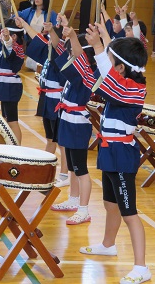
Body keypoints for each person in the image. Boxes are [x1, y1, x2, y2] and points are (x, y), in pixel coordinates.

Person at [81, 25, 151, 284]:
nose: (107, 69)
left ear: (120, 68)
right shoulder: (120, 85)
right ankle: (108, 244)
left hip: (122, 155)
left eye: (110, 63)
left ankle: (142, 267)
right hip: (110, 151)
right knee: (110, 204)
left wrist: (99, 47)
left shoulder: (133, 90)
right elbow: (101, 81)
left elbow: (111, 84)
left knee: (129, 212)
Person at [51, 17, 96, 225]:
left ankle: (84, 209)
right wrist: (61, 31)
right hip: (67, 120)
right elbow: (61, 50)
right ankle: (73, 199)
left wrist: (72, 36)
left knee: (81, 169)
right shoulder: (75, 73)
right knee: (71, 167)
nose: (70, 54)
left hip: (78, 124)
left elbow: (80, 56)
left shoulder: (88, 75)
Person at [15, 16, 69, 187]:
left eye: (50, 38)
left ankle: (65, 174)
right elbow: (36, 37)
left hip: (56, 101)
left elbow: (56, 43)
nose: (46, 41)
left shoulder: (61, 53)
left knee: (61, 141)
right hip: (46, 99)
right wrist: (23, 24)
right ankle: (46, 169)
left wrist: (53, 30)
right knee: (50, 139)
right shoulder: (48, 52)